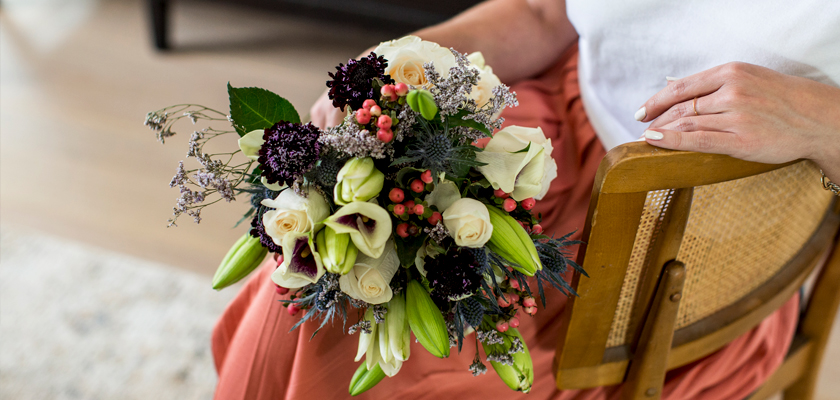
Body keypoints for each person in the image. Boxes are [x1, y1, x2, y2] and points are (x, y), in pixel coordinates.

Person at [212, 1, 840, 399]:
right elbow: (544, 13)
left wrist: (820, 117)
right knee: (316, 284)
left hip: (693, 242)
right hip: (547, 141)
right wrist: (399, 64)